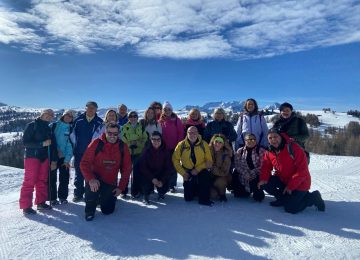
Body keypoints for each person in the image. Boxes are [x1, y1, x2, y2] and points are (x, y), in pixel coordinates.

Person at [258, 128, 325, 214]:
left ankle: (313, 197)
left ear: (281, 136)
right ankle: (283, 199)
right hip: (283, 180)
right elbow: (266, 167)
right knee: (265, 183)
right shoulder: (269, 151)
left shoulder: (293, 148)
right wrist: (263, 178)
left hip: (300, 182)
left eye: (275, 136)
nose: (273, 139)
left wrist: (291, 186)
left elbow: (302, 171)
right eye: (270, 138)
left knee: (290, 208)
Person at [80, 123, 132, 221]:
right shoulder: (96, 143)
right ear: (105, 132)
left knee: (107, 211)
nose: (112, 136)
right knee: (93, 188)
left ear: (118, 134)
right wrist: (90, 179)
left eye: (115, 134)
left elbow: (127, 168)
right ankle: (90, 209)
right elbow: (84, 163)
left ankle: (102, 198)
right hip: (96, 179)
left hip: (110, 181)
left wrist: (121, 187)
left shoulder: (122, 146)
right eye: (110, 133)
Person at [20, 109, 58, 214]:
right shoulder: (32, 125)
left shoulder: (49, 128)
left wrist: (54, 160)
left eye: (51, 115)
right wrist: (41, 144)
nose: (49, 116)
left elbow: (53, 146)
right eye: (47, 114)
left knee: (42, 180)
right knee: (30, 181)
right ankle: (26, 206)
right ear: (42, 114)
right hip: (32, 157)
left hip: (44, 157)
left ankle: (41, 202)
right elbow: (25, 143)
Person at [70, 101, 103, 202]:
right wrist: (74, 148)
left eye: (93, 108)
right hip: (79, 151)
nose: (90, 109)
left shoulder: (99, 122)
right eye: (88, 107)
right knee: (79, 173)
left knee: (91, 173)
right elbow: (72, 135)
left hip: (93, 153)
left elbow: (101, 137)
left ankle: (90, 194)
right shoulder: (78, 120)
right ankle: (78, 194)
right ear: (85, 108)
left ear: (96, 109)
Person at [172, 126, 214, 206]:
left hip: (201, 170)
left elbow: (209, 161)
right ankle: (195, 190)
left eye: (194, 132)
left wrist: (197, 169)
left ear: (198, 133)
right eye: (190, 133)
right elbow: (175, 160)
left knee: (205, 175)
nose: (192, 134)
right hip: (187, 172)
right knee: (188, 198)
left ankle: (204, 199)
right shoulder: (181, 145)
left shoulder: (204, 144)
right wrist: (183, 173)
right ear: (187, 134)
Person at [48, 109, 76, 205]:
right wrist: (55, 152)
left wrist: (67, 159)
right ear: (63, 115)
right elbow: (49, 140)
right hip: (52, 156)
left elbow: (71, 145)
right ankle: (52, 198)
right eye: (67, 115)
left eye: (71, 116)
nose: (68, 117)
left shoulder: (71, 129)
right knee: (52, 178)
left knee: (64, 178)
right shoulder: (54, 125)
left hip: (64, 158)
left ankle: (63, 197)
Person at [138, 131, 172, 204]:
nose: (156, 141)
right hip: (149, 174)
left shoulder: (165, 151)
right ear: (150, 140)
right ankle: (146, 194)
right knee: (144, 179)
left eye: (158, 139)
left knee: (165, 182)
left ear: (161, 140)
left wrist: (162, 180)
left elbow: (168, 168)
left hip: (160, 174)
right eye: (154, 139)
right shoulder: (146, 150)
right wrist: (152, 178)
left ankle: (161, 192)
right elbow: (143, 167)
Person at [120, 111, 148, 198]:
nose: (133, 118)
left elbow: (145, 139)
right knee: (125, 172)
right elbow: (124, 139)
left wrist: (135, 142)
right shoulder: (124, 127)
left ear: (137, 117)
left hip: (138, 153)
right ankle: (123, 190)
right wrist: (136, 138)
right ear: (128, 118)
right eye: (131, 116)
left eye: (135, 116)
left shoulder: (141, 127)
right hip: (127, 152)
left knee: (137, 172)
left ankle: (135, 191)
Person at [159, 101, 184, 193]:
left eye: (169, 109)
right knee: (164, 166)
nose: (167, 111)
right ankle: (164, 183)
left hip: (174, 147)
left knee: (174, 166)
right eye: (165, 109)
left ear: (171, 110)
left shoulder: (176, 120)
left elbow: (181, 133)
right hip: (163, 148)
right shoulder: (160, 120)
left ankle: (172, 185)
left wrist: (179, 146)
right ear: (163, 110)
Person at [234, 133, 265, 202]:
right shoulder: (240, 151)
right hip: (243, 176)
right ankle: (244, 190)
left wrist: (252, 173)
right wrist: (245, 173)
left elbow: (263, 166)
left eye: (254, 139)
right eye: (249, 139)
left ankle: (256, 190)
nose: (252, 141)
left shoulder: (261, 150)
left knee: (259, 198)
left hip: (256, 175)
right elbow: (237, 164)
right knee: (240, 195)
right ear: (245, 141)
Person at [208, 134, 232, 202]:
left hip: (222, 177)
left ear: (223, 144)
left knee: (221, 181)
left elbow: (224, 172)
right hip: (209, 177)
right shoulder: (207, 151)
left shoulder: (226, 154)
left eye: (220, 142)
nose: (217, 144)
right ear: (213, 142)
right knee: (212, 195)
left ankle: (222, 194)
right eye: (216, 141)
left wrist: (211, 167)